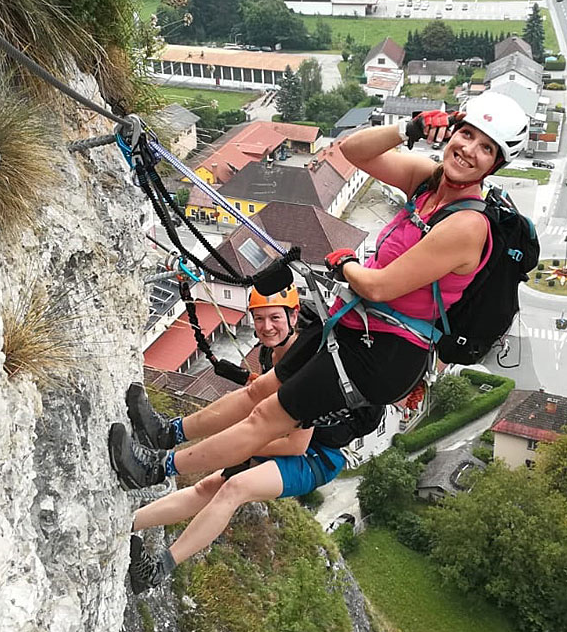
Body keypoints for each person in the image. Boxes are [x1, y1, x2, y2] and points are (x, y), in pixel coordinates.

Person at [112, 90, 530, 554]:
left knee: (265, 417)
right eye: (466, 134)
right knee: (258, 390)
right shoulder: (427, 183)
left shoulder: (468, 226)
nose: (469, 150)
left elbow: (379, 286)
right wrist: (409, 129)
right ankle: (164, 432)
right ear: (451, 129)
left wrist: (347, 262)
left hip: (383, 353)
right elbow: (351, 151)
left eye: (485, 148)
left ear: (495, 165)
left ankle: (156, 468)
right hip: (352, 324)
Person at [124, 285, 381, 592]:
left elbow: (295, 445)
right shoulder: (273, 355)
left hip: (315, 458)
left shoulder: (309, 365)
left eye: (274, 317)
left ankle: (157, 570)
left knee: (234, 487)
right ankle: (127, 524)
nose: (266, 327)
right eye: (258, 319)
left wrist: (238, 446)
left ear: (293, 317)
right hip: (290, 440)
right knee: (209, 485)